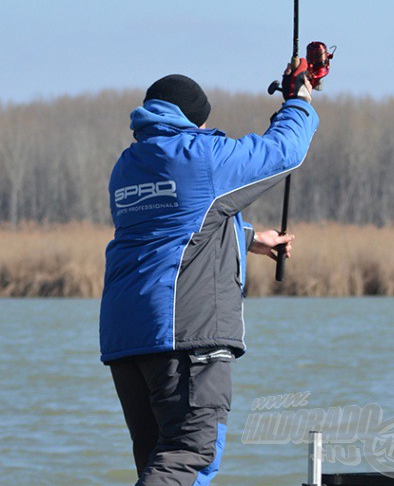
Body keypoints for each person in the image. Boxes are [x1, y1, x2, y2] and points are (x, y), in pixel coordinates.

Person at [99, 62, 318, 486]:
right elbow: (283, 151)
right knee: (191, 454)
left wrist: (251, 239)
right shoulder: (201, 157)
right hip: (184, 333)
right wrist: (299, 101)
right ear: (196, 119)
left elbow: (173, 225)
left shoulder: (129, 165)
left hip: (127, 337)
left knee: (158, 461)